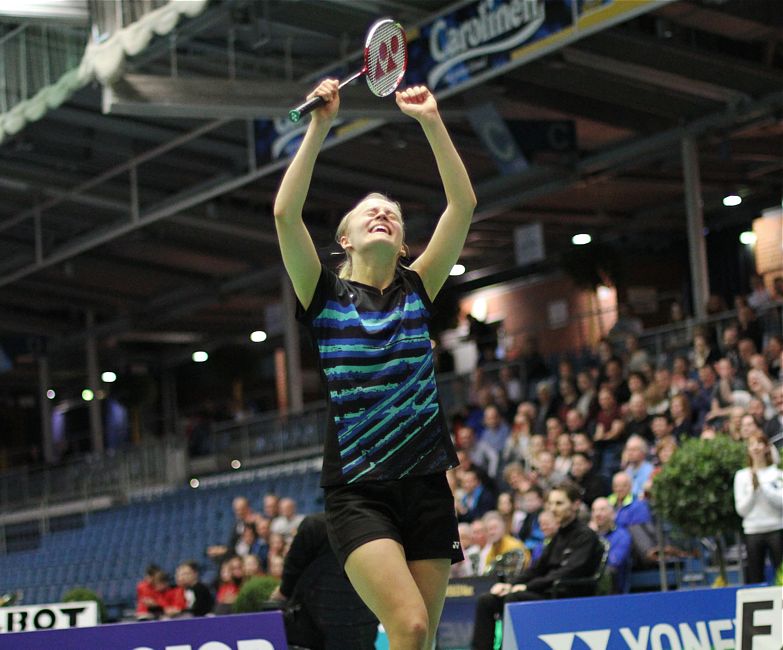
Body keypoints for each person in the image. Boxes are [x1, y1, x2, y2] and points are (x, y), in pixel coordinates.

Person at [273, 79, 476, 650]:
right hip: (360, 491)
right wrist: (319, 126)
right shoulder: (323, 295)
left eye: (392, 212)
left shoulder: (418, 288)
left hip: (427, 483)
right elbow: (286, 215)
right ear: (345, 239)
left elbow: (462, 206)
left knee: (421, 639)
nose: (383, 214)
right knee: (408, 624)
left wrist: (431, 122)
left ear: (405, 241)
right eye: (369, 212)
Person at [470, 482, 601, 650]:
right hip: (545, 591)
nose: (553, 509)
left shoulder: (586, 536)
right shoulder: (557, 537)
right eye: (551, 503)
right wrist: (511, 584)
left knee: (513, 600)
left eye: (559, 503)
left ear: (575, 505)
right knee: (486, 600)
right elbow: (537, 568)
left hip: (565, 596)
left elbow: (567, 572)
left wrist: (525, 587)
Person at [269, 513, 378, 650]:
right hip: (363, 624)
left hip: (320, 627)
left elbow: (293, 568)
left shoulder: (315, 524)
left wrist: (282, 593)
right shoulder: (380, 527)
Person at [733, 432, 783, 584]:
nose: (756, 448)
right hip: (753, 531)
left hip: (777, 529)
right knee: (755, 576)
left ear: (767, 447)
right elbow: (741, 510)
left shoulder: (777, 473)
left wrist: (763, 487)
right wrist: (753, 490)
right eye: (751, 444)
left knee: (781, 572)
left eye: (759, 443)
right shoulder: (741, 476)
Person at [589, 498, 632, 594]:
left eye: (602, 510)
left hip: (615, 588)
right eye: (594, 510)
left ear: (613, 514)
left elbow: (614, 562)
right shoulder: (588, 536)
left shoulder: (622, 535)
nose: (597, 514)